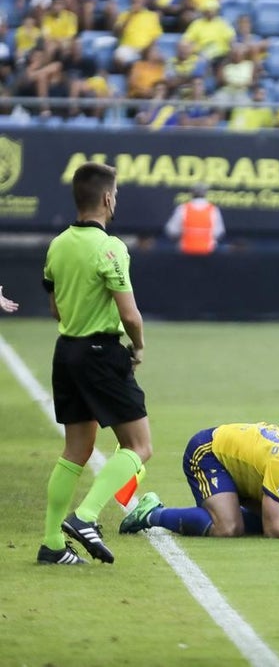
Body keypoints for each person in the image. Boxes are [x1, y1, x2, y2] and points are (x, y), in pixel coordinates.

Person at [38, 162, 152, 565]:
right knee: (139, 446)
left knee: (75, 450)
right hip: (101, 354)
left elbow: (55, 307)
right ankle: (86, 517)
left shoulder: (58, 245)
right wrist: (137, 347)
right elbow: (131, 315)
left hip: (66, 351)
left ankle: (52, 543)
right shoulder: (111, 248)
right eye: (115, 195)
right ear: (107, 198)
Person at [118, 422, 279, 539]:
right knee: (228, 528)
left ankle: (230, 503)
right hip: (209, 452)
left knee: (260, 521)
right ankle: (151, 513)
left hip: (250, 465)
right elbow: (274, 530)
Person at [164, 182, 225, 254]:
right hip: (208, 252)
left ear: (191, 193)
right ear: (205, 193)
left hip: (186, 251)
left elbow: (172, 231)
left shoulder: (183, 209)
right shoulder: (213, 210)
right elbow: (218, 232)